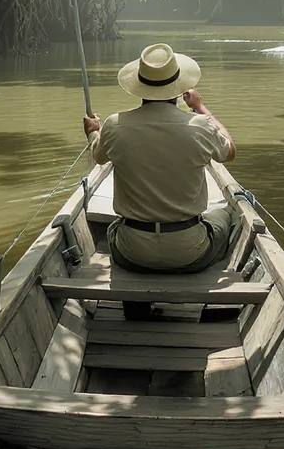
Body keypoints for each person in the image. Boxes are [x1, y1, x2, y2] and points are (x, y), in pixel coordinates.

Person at [82, 42, 241, 283]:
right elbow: (229, 151)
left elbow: (98, 157)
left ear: (140, 86)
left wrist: (95, 131)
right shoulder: (200, 126)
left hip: (132, 253)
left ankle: (135, 296)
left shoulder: (114, 125)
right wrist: (199, 107)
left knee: (114, 228)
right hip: (189, 252)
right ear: (178, 88)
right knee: (229, 215)